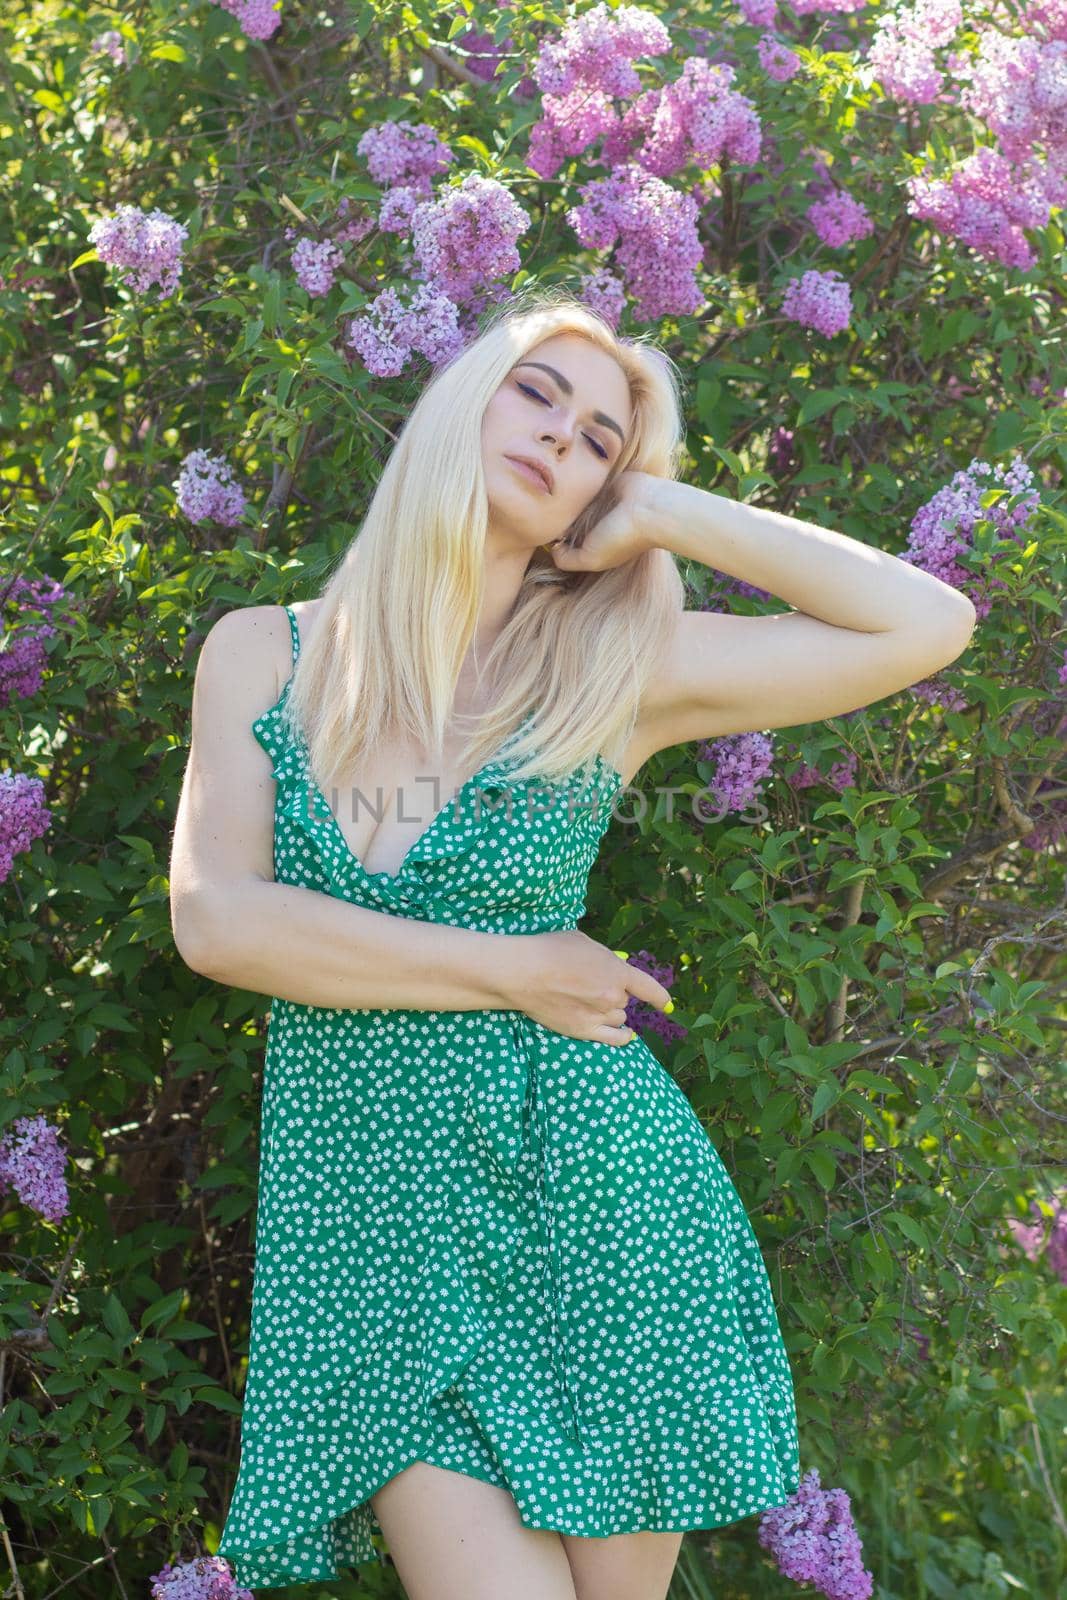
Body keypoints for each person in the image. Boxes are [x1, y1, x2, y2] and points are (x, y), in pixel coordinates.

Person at [169, 288, 976, 1600]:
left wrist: (661, 512)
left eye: (603, 438)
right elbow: (218, 921)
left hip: (605, 1221)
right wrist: (518, 967)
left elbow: (926, 625)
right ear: (460, 403)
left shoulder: (613, 674)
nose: (563, 437)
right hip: (386, 1244)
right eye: (539, 393)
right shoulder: (262, 656)